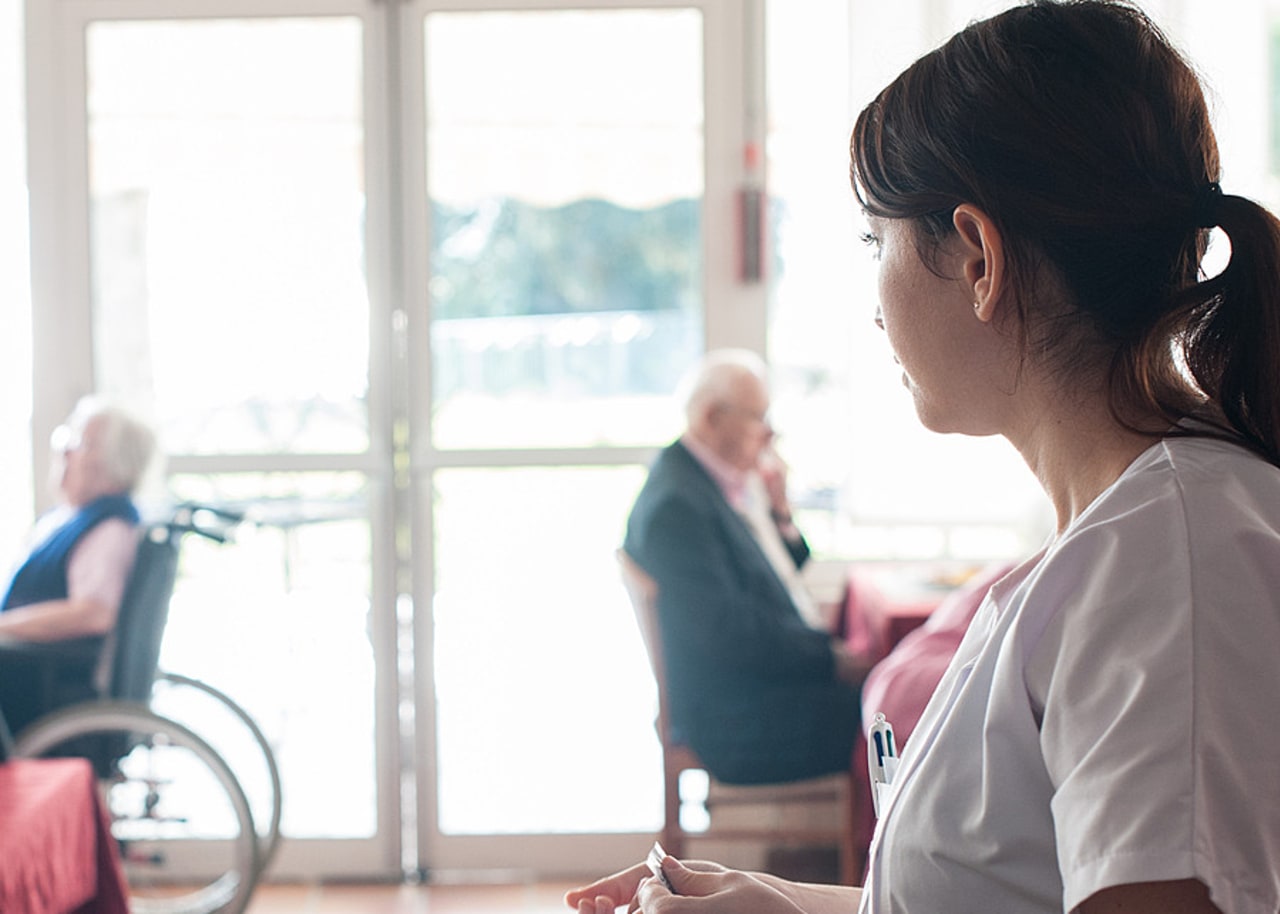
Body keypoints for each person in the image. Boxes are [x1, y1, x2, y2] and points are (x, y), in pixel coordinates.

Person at [567, 2, 1280, 912]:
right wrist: (775, 902)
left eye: (878, 240)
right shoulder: (1129, 543)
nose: (872, 302)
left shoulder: (1168, 568)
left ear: (979, 258)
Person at [623, 348, 868, 786]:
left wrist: (780, 512)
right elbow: (728, 632)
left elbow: (772, 574)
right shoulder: (676, 507)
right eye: (758, 418)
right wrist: (828, 659)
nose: (770, 434)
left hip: (752, 685)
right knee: (891, 708)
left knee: (891, 688)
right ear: (712, 417)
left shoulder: (709, 478)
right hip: (732, 718)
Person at [0, 396, 158, 737]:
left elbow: (92, 613)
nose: (65, 452)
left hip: (42, 683)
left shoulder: (108, 528)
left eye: (81, 444)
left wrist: (4, 626)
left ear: (116, 464)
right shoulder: (68, 519)